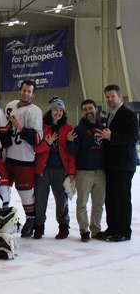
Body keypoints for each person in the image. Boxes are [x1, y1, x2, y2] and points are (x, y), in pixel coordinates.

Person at [95, 84, 139, 242]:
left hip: (123, 165)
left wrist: (112, 136)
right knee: (111, 198)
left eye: (113, 96)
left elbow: (133, 137)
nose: (110, 99)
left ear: (120, 97)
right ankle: (113, 228)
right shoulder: (111, 115)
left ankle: (124, 231)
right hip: (112, 165)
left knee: (122, 198)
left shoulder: (128, 114)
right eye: (107, 96)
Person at [4, 80, 43, 237]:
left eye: (29, 91)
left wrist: (21, 128)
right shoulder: (10, 106)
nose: (26, 93)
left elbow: (37, 138)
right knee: (3, 190)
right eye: (24, 90)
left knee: (25, 192)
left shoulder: (35, 111)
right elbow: (3, 129)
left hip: (24, 159)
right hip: (8, 158)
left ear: (33, 94)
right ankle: (4, 219)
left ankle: (31, 220)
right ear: (20, 91)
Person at [33, 97, 76, 239]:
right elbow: (36, 149)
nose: (58, 112)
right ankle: (39, 226)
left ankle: (64, 226)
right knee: (40, 199)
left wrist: (70, 172)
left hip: (60, 169)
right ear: (50, 111)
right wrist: (47, 143)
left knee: (61, 199)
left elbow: (70, 153)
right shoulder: (41, 125)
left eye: (60, 110)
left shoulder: (68, 127)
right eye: (55, 109)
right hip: (43, 169)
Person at [66, 99, 106, 242]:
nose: (88, 111)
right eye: (85, 109)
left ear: (95, 109)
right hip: (84, 172)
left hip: (101, 172)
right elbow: (73, 151)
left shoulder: (103, 128)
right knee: (82, 203)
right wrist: (70, 142)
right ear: (82, 112)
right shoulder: (79, 129)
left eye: (90, 108)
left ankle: (95, 229)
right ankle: (84, 230)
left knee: (98, 204)